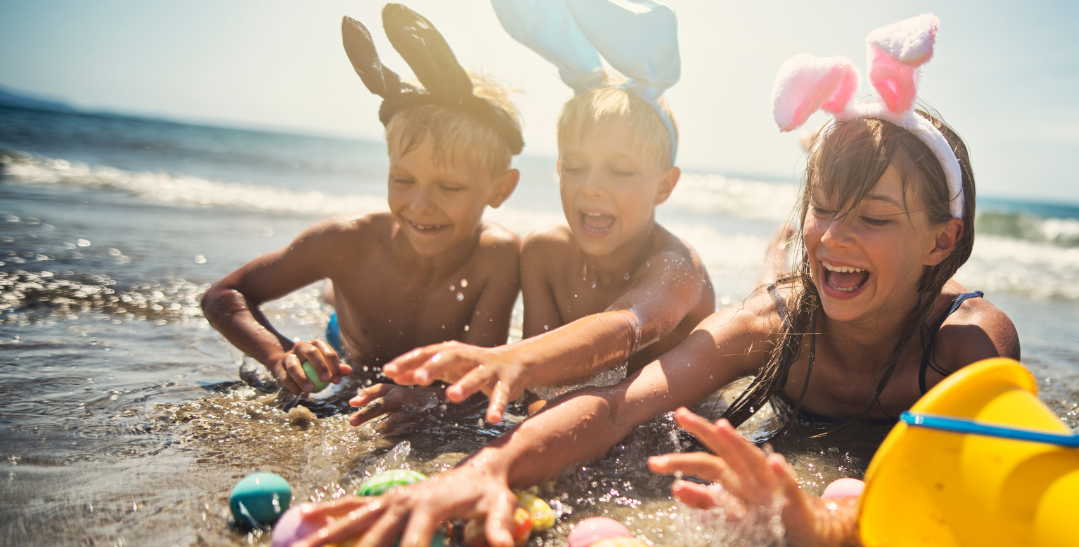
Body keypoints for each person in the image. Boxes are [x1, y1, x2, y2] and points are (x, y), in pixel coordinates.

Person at [292, 13, 1018, 547]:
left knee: (796, 271)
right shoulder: (772, 323)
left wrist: (831, 527)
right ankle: (785, 248)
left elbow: (990, 494)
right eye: (823, 207)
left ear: (943, 240)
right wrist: (491, 466)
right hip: (787, 305)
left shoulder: (968, 343)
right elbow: (619, 405)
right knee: (783, 281)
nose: (835, 235)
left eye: (876, 218)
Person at [372, 0, 715, 425]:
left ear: (664, 186)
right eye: (575, 167)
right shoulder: (545, 254)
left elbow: (625, 328)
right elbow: (539, 392)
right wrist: (439, 401)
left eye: (621, 171)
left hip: (675, 426)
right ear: (558, 170)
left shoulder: (678, 267)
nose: (591, 186)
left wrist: (512, 358)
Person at [201, 5, 524, 404]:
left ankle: (333, 291)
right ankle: (333, 292)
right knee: (337, 302)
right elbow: (223, 295)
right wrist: (278, 355)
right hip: (348, 342)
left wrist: (426, 400)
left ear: (500, 189)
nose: (421, 205)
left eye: (449, 187)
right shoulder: (345, 241)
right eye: (403, 180)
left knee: (340, 294)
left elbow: (479, 376)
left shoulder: (497, 255)